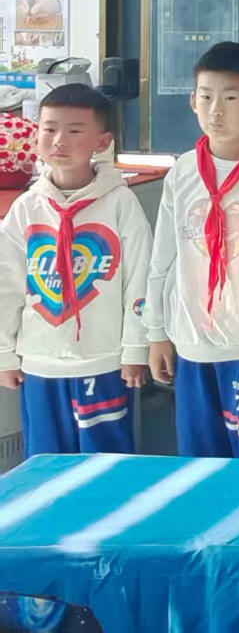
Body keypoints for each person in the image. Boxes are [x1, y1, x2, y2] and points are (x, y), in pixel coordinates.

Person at [145, 41, 239, 458]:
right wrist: (156, 333)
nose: (216, 111)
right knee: (199, 459)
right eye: (206, 97)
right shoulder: (183, 171)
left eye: (230, 98)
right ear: (192, 101)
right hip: (193, 345)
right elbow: (163, 257)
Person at [0, 85, 150, 455]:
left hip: (104, 361)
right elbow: (7, 284)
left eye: (75, 130)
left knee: (106, 462)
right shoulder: (26, 208)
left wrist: (135, 349)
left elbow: (139, 280)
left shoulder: (120, 203)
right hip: (40, 363)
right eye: (49, 129)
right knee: (45, 463)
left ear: (102, 141)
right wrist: (5, 353)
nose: (59, 140)